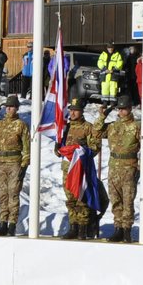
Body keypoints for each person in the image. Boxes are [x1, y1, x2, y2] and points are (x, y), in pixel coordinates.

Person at [56, 101, 104, 239]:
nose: (72, 113)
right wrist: (58, 149)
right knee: (70, 199)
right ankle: (73, 227)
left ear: (81, 111)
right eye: (71, 110)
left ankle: (83, 228)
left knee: (81, 198)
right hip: (67, 168)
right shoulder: (65, 127)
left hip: (81, 169)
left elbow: (95, 147)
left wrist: (84, 149)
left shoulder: (88, 127)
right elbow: (61, 145)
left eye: (76, 110)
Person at [0, 97, 30, 237]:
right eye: (7, 107)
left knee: (13, 193)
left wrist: (24, 166)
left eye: (12, 107)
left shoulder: (21, 125)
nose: (9, 109)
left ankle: (12, 224)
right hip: (0, 162)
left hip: (14, 163)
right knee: (2, 194)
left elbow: (26, 147)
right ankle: (2, 223)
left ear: (17, 108)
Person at [101, 97, 140, 242]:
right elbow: (97, 131)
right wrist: (103, 115)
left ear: (130, 109)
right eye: (120, 109)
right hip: (114, 166)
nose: (122, 111)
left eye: (124, 108)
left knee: (128, 200)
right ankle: (118, 228)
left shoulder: (136, 126)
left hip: (129, 167)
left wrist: (139, 167)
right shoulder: (112, 126)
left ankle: (126, 230)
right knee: (115, 199)